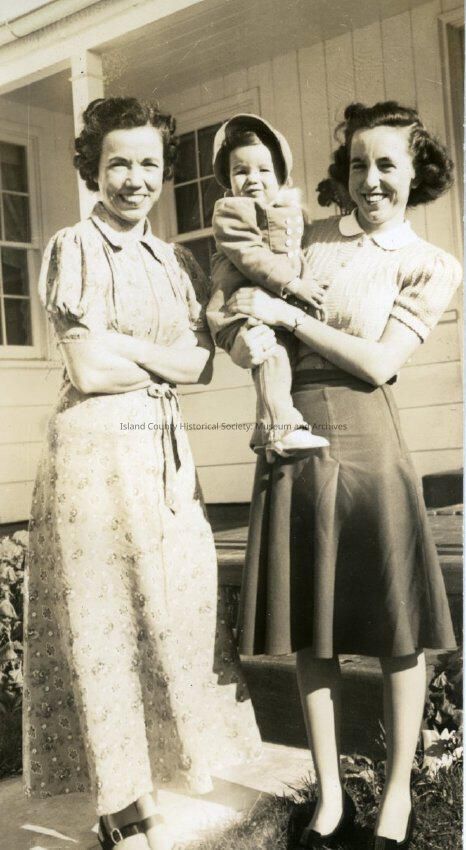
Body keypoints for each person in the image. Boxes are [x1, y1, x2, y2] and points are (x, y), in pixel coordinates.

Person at [218, 101, 462, 849]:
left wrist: (289, 317)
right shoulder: (310, 237)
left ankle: (396, 797)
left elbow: (380, 360)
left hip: (367, 435)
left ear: (416, 172)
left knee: (397, 628)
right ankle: (330, 799)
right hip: (293, 434)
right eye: (358, 164)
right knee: (311, 630)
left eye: (387, 164)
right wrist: (246, 327)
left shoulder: (431, 264)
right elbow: (241, 306)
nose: (370, 180)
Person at [24, 97, 261, 850]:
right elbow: (88, 372)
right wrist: (153, 360)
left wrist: (124, 345)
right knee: (103, 628)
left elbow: (200, 366)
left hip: (162, 458)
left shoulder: (176, 262)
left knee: (171, 615)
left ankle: (153, 779)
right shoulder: (73, 247)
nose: (135, 178)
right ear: (93, 169)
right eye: (118, 163)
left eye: (149, 163)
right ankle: (122, 805)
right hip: (93, 461)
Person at [207, 114, 329, 461]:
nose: (252, 179)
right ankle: (281, 428)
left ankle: (267, 433)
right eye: (240, 171)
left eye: (264, 170)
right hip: (238, 306)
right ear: (228, 179)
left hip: (272, 307)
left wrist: (306, 286)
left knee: (281, 362)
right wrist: (293, 284)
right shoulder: (231, 211)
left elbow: (297, 255)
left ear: (282, 176)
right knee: (271, 354)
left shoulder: (288, 211)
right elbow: (251, 255)